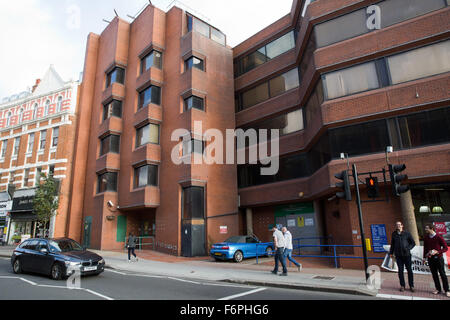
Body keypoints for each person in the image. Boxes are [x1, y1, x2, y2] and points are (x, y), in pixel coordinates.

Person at [423, 225, 449, 297]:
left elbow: (445, 248)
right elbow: (425, 248)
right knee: (434, 274)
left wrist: (437, 252)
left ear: (431, 229)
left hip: (439, 259)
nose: (425, 229)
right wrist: (424, 258)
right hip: (430, 259)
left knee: (442, 274)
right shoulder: (426, 237)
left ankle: (447, 290)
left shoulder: (438, 237)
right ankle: (438, 289)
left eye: (427, 228)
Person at [389, 221, 416, 292]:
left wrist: (408, 248)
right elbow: (392, 244)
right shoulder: (394, 234)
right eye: (397, 225)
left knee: (409, 270)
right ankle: (402, 285)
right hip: (398, 256)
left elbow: (413, 243)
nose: (398, 226)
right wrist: (391, 253)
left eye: (399, 225)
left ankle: (411, 286)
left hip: (407, 255)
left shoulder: (407, 233)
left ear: (402, 226)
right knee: (400, 271)